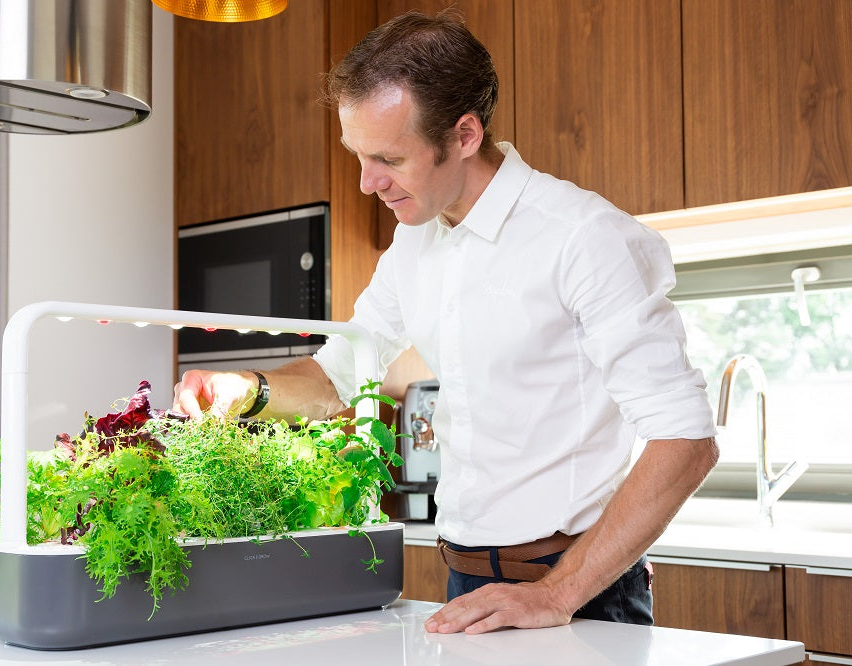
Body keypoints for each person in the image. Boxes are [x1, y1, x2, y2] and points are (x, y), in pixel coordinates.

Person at [173, 10, 719, 635]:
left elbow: (685, 440)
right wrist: (247, 391)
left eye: (388, 158)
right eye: (358, 156)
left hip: (576, 591)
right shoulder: (414, 245)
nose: (365, 182)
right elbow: (338, 375)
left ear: (463, 135)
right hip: (462, 580)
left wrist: (557, 594)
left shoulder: (583, 238)